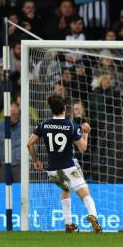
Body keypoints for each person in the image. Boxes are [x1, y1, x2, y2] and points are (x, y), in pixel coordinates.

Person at [26, 94, 101, 233]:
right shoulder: (70, 126)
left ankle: (69, 224)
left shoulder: (43, 124)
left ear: (51, 109)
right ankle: (93, 216)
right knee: (84, 192)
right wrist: (85, 133)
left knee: (65, 189)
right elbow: (83, 148)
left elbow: (29, 144)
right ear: (65, 109)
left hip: (52, 170)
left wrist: (36, 161)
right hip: (69, 167)